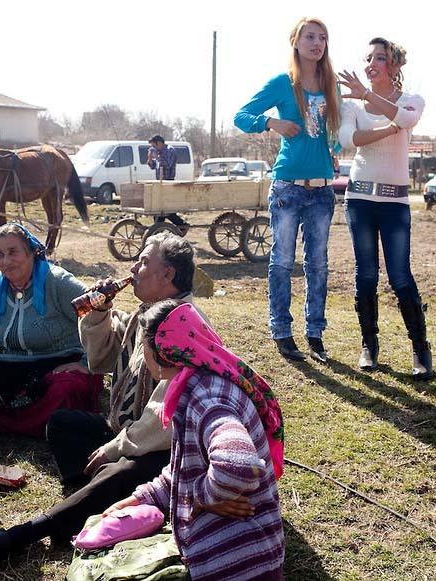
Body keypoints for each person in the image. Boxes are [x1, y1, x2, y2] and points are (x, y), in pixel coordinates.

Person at [0, 232, 208, 567]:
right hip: (126, 430)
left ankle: (29, 532)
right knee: (63, 422)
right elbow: (101, 358)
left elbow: (164, 419)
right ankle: (89, 498)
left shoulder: (183, 324)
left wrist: (114, 447)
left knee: (122, 470)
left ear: (167, 275)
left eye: (143, 262)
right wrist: (99, 312)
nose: (134, 268)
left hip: (166, 449)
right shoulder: (147, 315)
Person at [104, 299, 285, 581]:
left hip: (238, 567)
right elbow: (187, 470)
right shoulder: (197, 383)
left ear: (163, 352)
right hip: (242, 558)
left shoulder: (208, 399)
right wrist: (142, 498)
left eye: (144, 347)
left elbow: (238, 465)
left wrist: (200, 497)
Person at [234, 17, 341, 363]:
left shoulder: (331, 84)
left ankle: (315, 333)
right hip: (287, 189)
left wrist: (336, 150)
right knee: (282, 262)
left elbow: (336, 134)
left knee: (319, 265)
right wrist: (271, 122)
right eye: (310, 36)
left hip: (323, 190)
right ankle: (281, 330)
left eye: (322, 37)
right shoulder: (283, 83)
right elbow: (242, 115)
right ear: (296, 42)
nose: (317, 43)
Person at [338, 38, 431, 379]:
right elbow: (350, 141)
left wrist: (369, 97)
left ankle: (421, 349)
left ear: (394, 67)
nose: (372, 62)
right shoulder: (353, 106)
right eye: (370, 57)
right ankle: (369, 345)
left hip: (394, 202)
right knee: (366, 274)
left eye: (381, 58)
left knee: (400, 275)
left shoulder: (412, 99)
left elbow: (406, 119)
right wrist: (386, 127)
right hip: (360, 197)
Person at [0, 223, 103, 437]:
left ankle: (32, 425)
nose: (5, 261)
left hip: (58, 363)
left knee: (66, 390)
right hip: (10, 365)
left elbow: (98, 322)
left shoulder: (58, 281)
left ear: (32, 252)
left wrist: (85, 363)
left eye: (13, 252)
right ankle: (33, 425)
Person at [147, 135, 186, 228]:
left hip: (168, 183)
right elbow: (153, 167)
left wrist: (157, 156)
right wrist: (150, 159)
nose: (153, 148)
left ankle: (182, 225)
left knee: (167, 210)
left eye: (154, 146)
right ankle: (158, 229)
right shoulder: (158, 152)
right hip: (160, 183)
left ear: (159, 143)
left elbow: (168, 165)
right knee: (157, 210)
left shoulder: (170, 150)